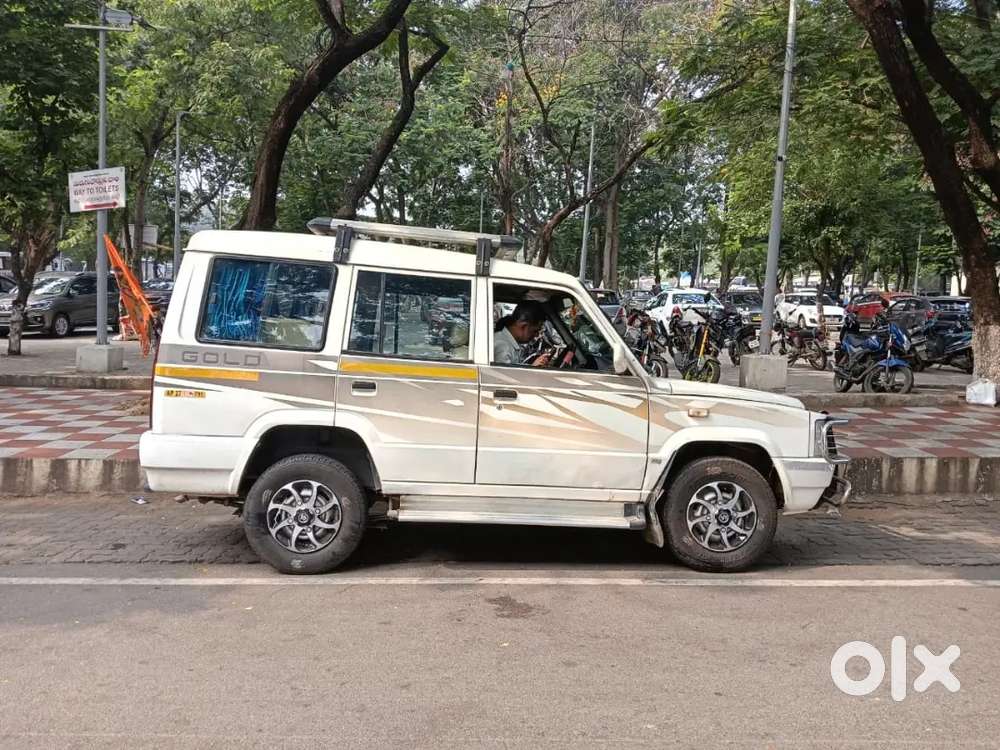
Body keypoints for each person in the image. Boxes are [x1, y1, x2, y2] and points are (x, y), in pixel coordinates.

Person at [494, 300, 550, 366]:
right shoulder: (503, 346)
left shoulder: (509, 343)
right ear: (523, 326)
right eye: (535, 331)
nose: (537, 335)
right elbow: (503, 375)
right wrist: (533, 367)